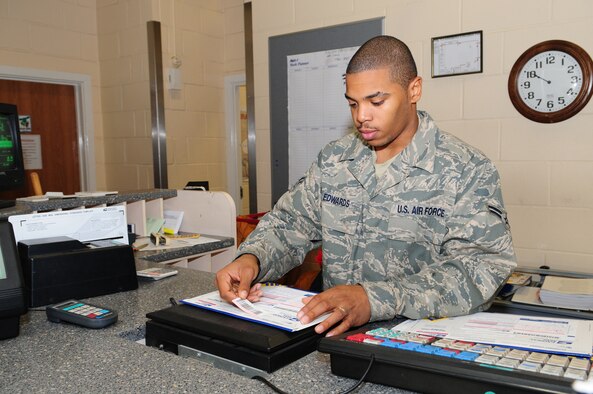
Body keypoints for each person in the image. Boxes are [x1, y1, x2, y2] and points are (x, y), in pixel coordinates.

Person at [216, 35, 516, 337]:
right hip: (337, 337)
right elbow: (289, 223)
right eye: (353, 103)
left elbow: (480, 269)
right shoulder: (335, 159)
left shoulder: (466, 169)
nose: (361, 116)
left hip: (417, 342)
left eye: (377, 101)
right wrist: (251, 259)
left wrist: (375, 299)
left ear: (414, 90)